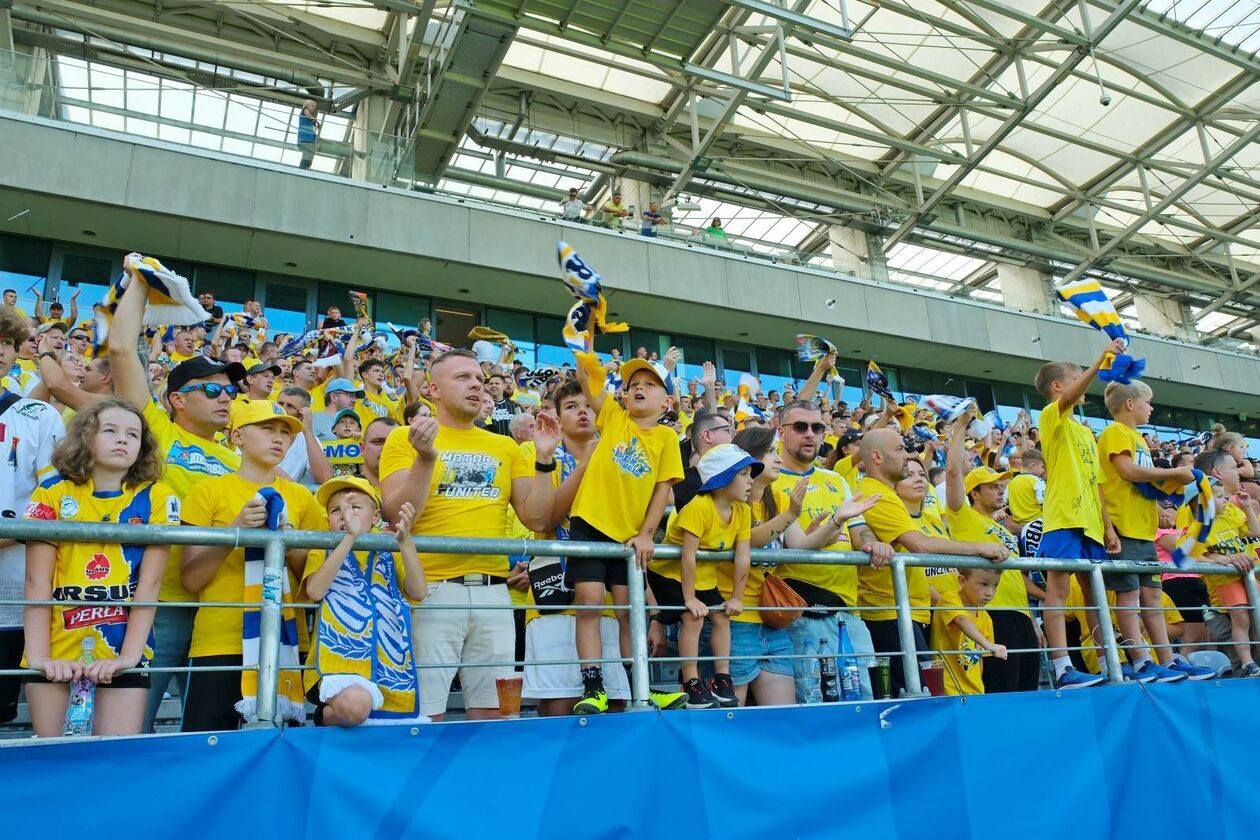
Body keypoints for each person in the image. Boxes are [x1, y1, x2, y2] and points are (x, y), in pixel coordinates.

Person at [379, 349, 559, 721]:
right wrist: (425, 458)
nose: (476, 384)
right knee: (424, 716)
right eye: (462, 377)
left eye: (478, 378)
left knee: (496, 715)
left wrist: (543, 460)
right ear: (434, 390)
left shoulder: (506, 446)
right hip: (430, 589)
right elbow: (397, 515)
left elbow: (537, 517)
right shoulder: (403, 438)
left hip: (495, 593)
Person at [21, 399, 179, 736]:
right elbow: (37, 581)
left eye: (133, 434)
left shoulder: (158, 496)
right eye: (110, 430)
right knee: (55, 761)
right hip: (55, 647)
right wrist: (38, 658)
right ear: (85, 437)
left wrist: (129, 658)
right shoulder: (50, 492)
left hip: (123, 647)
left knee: (115, 762)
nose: (123, 439)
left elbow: (149, 586)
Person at [179, 401, 327, 731]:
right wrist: (236, 532)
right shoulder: (207, 491)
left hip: (286, 644)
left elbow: (316, 583)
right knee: (207, 750)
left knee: (282, 753)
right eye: (267, 429)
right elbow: (190, 578)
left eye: (285, 433)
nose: (279, 439)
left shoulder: (303, 498)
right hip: (219, 643)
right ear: (237, 436)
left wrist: (288, 544)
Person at [566, 353, 683, 714]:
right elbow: (589, 381)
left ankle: (641, 689)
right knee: (588, 603)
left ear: (668, 401)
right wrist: (585, 340)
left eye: (650, 385)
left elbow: (663, 489)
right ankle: (593, 687)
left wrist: (647, 533)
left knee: (627, 613)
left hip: (629, 535)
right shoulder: (614, 416)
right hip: (589, 521)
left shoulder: (666, 437)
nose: (639, 389)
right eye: (633, 385)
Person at [855, 428, 1007, 698]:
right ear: (877, 456)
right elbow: (920, 544)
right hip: (889, 613)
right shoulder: (876, 494)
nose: (908, 456)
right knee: (916, 699)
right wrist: (980, 548)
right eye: (900, 449)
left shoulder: (886, 493)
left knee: (925, 693)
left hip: (907, 612)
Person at [773, 400, 891, 701]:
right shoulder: (770, 480)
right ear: (781, 430)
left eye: (817, 427)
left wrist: (871, 542)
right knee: (815, 704)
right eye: (800, 427)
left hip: (849, 611)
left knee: (865, 699)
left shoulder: (835, 480)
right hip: (803, 612)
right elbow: (792, 545)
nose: (810, 434)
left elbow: (859, 529)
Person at [1098, 380, 1211, 681]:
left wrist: (1159, 509)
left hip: (1144, 528)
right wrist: (1174, 471)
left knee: (1152, 595)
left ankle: (1166, 659)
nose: (1152, 408)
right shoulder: (1115, 432)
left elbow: (1140, 485)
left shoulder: (1136, 438)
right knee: (1130, 595)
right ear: (1130, 404)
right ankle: (1139, 660)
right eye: (1148, 402)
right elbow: (1127, 472)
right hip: (1124, 527)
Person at [1034, 338, 1126, 689]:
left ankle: (1109, 662)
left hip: (1091, 524)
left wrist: (1108, 527)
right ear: (1058, 386)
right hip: (1063, 520)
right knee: (1058, 590)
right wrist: (1100, 360)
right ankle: (1061, 666)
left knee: (1095, 594)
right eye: (1077, 377)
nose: (1083, 382)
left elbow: (1097, 483)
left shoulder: (1085, 431)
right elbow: (1070, 398)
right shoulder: (1050, 416)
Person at [302, 477, 427, 727]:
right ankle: (324, 716)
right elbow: (315, 590)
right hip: (333, 664)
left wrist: (405, 541)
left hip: (386, 661)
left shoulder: (389, 551)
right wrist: (349, 538)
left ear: (375, 516)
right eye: (336, 510)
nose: (344, 514)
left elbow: (419, 591)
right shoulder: (322, 548)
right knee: (357, 706)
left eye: (354, 507)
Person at [941, 411, 1041, 693]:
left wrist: (1032, 621)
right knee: (1001, 692)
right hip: (989, 614)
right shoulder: (964, 517)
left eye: (1002, 487)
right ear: (974, 493)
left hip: (1019, 616)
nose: (1001, 492)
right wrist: (960, 427)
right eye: (993, 487)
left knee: (1027, 693)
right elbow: (952, 472)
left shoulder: (1006, 532)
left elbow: (1016, 580)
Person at [650, 444, 756, 708]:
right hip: (669, 574)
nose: (750, 481)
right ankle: (691, 682)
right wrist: (689, 599)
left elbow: (743, 556)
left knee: (721, 615)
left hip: (704, 575)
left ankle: (722, 679)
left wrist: (737, 598)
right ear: (723, 478)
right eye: (744, 474)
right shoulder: (699, 506)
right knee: (694, 618)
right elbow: (688, 556)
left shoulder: (742, 511)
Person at [0, 307, 65, 724]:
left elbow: (54, 499)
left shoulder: (38, 415)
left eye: (6, 342)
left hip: (10, 593)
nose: (0, 351)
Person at [1181, 449, 1259, 676]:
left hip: (1247, 580)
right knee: (1241, 633)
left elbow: (1254, 532)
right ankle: (1247, 665)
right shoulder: (1194, 514)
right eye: (1235, 467)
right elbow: (1188, 552)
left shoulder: (1233, 510)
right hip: (1224, 600)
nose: (1240, 473)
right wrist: (1223, 559)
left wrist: (1246, 508)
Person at [930, 567, 1007, 696]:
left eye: (995, 586)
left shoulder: (985, 618)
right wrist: (988, 644)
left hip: (974, 692)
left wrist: (978, 688)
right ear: (962, 581)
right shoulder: (949, 599)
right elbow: (962, 620)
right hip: (947, 687)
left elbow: (980, 659)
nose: (990, 592)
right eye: (984, 584)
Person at [276, 386, 333, 490]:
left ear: (301, 414)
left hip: (285, 498)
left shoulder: (308, 440)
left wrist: (308, 432)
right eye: (280, 403)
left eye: (290, 406)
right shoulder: (259, 429)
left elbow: (325, 478)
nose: (282, 409)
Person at [360, 416, 399, 487]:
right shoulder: (345, 488)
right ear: (362, 448)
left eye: (394, 443)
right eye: (377, 442)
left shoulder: (420, 491)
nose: (386, 448)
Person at [486, 371, 521, 436]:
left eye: (497, 383)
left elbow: (521, 425)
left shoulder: (515, 405)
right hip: (492, 443)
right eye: (491, 384)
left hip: (510, 443)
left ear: (504, 386)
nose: (493, 385)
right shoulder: (484, 405)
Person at [297, 98, 320, 169]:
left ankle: (307, 166)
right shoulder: (305, 110)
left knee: (310, 153)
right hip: (305, 138)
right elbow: (308, 115)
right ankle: (303, 168)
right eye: (312, 106)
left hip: (309, 138)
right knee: (308, 153)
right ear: (307, 105)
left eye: (314, 107)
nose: (313, 108)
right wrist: (316, 121)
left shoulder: (309, 118)